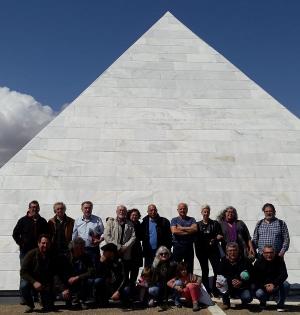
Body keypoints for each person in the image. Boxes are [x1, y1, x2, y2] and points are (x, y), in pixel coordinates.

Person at [20, 234, 69, 313]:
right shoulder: (30, 254)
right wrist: (34, 282)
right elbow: (23, 272)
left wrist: (63, 289)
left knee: (49, 307)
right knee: (23, 285)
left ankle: (43, 299)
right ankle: (30, 305)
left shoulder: (52, 255)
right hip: (32, 281)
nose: (45, 245)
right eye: (43, 243)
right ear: (38, 243)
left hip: (45, 283)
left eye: (47, 243)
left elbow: (55, 274)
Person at [12, 200, 49, 303]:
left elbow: (47, 235)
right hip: (25, 252)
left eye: (36, 207)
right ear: (29, 208)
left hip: (39, 252)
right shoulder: (22, 220)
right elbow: (15, 234)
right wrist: (21, 243)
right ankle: (25, 298)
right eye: (32, 207)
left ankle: (36, 296)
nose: (34, 209)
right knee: (25, 272)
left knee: (39, 272)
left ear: (39, 208)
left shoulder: (43, 221)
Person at [104, 205, 136, 284]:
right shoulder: (110, 222)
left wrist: (125, 247)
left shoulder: (130, 223)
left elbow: (133, 237)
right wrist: (118, 247)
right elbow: (107, 236)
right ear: (116, 211)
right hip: (113, 252)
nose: (121, 212)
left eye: (123, 210)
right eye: (120, 210)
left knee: (124, 273)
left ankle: (122, 292)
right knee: (112, 273)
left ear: (126, 212)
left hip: (125, 252)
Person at [194, 205, 223, 295]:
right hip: (201, 251)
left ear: (209, 212)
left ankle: (215, 289)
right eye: (204, 212)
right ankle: (207, 290)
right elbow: (195, 237)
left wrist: (215, 239)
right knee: (205, 270)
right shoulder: (197, 224)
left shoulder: (215, 223)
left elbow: (220, 235)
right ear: (202, 212)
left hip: (213, 250)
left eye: (207, 212)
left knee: (217, 270)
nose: (206, 213)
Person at [216, 242, 253, 310]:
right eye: (230, 250)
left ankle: (244, 303)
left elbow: (252, 275)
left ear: (238, 250)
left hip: (242, 286)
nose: (232, 252)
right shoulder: (223, 260)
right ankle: (226, 302)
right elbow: (220, 274)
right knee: (221, 283)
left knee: (247, 297)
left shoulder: (245, 260)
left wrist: (241, 282)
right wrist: (231, 280)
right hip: (229, 284)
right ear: (226, 251)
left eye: (234, 250)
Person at [62, 237, 95, 309]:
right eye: (82, 248)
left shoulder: (86, 256)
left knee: (89, 280)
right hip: (67, 282)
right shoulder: (65, 257)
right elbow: (59, 274)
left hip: (80, 281)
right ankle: (69, 299)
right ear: (75, 248)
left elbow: (91, 271)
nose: (84, 249)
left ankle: (81, 300)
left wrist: (78, 277)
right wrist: (63, 289)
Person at [254, 245, 290, 312]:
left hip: (276, 286)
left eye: (271, 252)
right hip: (264, 287)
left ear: (274, 252)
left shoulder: (279, 260)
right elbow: (255, 278)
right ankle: (263, 302)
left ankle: (280, 305)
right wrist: (265, 285)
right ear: (263, 253)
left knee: (286, 284)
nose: (269, 254)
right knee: (258, 293)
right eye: (267, 253)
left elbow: (284, 274)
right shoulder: (258, 262)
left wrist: (274, 284)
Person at [72, 201, 104, 266]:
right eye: (85, 208)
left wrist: (100, 240)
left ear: (92, 209)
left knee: (94, 268)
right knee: (82, 268)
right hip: (81, 249)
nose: (88, 210)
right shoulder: (77, 220)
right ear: (82, 209)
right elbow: (74, 235)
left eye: (89, 208)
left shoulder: (98, 219)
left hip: (93, 249)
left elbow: (103, 232)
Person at [171, 202, 197, 273]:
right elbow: (174, 231)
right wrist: (189, 231)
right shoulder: (174, 220)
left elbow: (195, 229)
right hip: (177, 246)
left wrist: (181, 228)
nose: (182, 210)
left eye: (184, 209)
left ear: (187, 210)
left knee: (189, 266)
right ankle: (176, 282)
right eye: (181, 209)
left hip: (189, 246)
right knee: (176, 266)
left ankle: (189, 283)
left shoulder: (192, 219)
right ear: (178, 210)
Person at [127, 208, 143, 286]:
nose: (134, 216)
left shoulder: (139, 224)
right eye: (133, 215)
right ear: (129, 215)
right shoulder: (126, 224)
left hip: (136, 249)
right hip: (127, 249)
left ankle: (132, 287)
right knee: (126, 271)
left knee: (135, 271)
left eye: (136, 215)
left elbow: (141, 237)